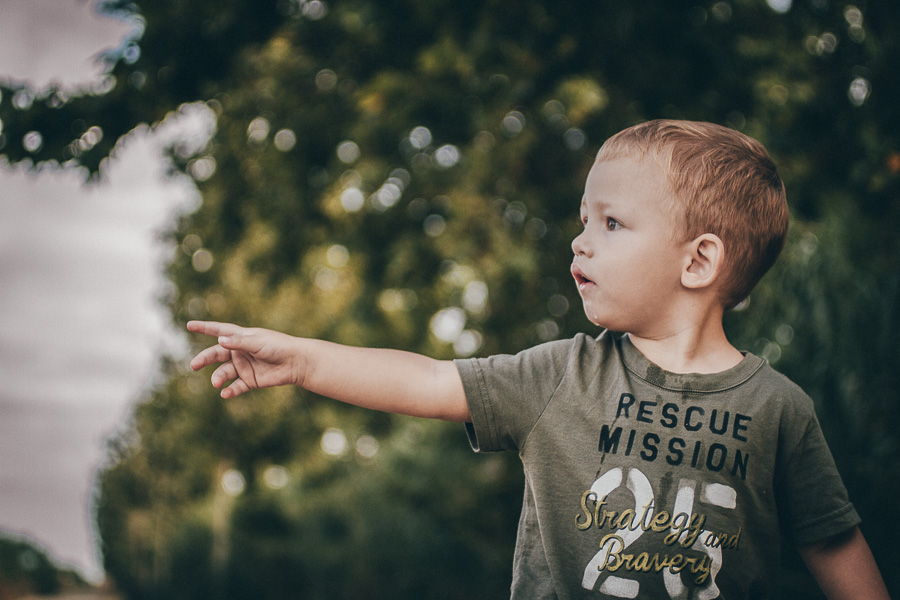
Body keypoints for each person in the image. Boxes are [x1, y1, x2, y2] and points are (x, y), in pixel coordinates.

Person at [187, 119, 889, 599]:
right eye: (584, 220)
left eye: (611, 224)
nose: (580, 242)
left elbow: (834, 548)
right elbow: (429, 379)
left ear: (700, 260)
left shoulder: (779, 411)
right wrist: (304, 361)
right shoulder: (560, 374)